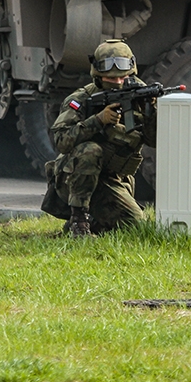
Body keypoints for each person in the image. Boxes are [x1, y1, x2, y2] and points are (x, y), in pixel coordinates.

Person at [42, 39, 157, 236]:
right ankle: (79, 222)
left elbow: (154, 141)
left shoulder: (138, 93)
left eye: (123, 77)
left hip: (113, 179)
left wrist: (150, 111)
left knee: (136, 227)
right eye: (111, 79)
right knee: (90, 150)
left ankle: (96, 222)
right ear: (98, 75)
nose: (118, 83)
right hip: (73, 177)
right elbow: (60, 141)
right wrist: (98, 121)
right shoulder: (81, 99)